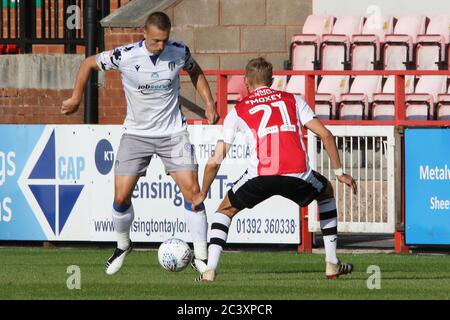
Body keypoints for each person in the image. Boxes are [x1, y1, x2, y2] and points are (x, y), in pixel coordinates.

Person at [61, 11, 219, 275]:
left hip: (173, 135)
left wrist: (210, 103)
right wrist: (77, 97)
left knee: (193, 194)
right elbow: (88, 63)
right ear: (144, 34)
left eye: (164, 41)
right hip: (136, 135)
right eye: (156, 41)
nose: (160, 46)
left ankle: (200, 257)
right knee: (121, 197)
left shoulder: (178, 51)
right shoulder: (125, 55)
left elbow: (196, 71)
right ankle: (123, 246)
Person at [192, 57, 357, 282]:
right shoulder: (293, 100)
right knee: (326, 191)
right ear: (272, 80)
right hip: (297, 174)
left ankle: (210, 269)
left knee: (224, 211)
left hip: (261, 175)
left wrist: (203, 191)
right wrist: (339, 173)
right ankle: (331, 262)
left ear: (245, 81)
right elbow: (326, 135)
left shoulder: (238, 111)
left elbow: (214, 161)